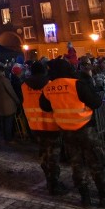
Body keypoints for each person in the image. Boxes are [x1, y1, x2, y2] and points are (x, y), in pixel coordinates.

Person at [40, 58, 105, 208]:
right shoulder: (76, 84)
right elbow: (96, 102)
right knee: (96, 162)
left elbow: (45, 106)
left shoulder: (49, 87)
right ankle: (104, 196)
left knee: (76, 164)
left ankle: (84, 196)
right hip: (85, 128)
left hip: (67, 131)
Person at [21, 61, 67, 196]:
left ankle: (49, 180)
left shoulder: (24, 85)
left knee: (43, 154)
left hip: (35, 125)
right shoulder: (50, 84)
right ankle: (54, 184)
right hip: (52, 125)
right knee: (53, 156)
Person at [0, 63, 19, 143]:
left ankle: (5, 137)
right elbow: (11, 92)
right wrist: (17, 101)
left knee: (3, 122)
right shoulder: (4, 80)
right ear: (2, 71)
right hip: (8, 105)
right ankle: (9, 139)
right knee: (8, 123)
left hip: (0, 105)